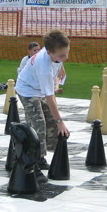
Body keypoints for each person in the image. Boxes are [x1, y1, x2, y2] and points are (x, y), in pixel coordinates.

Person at [15, 29, 71, 168]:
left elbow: (57, 61)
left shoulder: (53, 52)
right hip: (27, 90)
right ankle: (37, 159)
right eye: (62, 55)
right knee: (39, 124)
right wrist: (60, 122)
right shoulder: (44, 67)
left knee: (51, 120)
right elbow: (50, 97)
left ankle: (52, 149)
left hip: (39, 87)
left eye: (67, 53)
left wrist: (61, 65)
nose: (65, 57)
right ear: (49, 52)